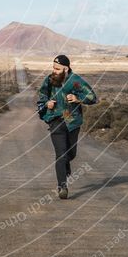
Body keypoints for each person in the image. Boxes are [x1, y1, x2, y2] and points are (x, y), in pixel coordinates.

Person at [37, 54, 97, 199]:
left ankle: (66, 165)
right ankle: (62, 186)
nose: (54, 71)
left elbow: (92, 97)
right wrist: (47, 104)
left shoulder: (75, 81)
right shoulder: (50, 80)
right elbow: (42, 96)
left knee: (71, 154)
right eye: (53, 68)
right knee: (61, 154)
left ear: (66, 68)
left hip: (72, 122)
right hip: (55, 120)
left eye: (57, 69)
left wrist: (78, 98)